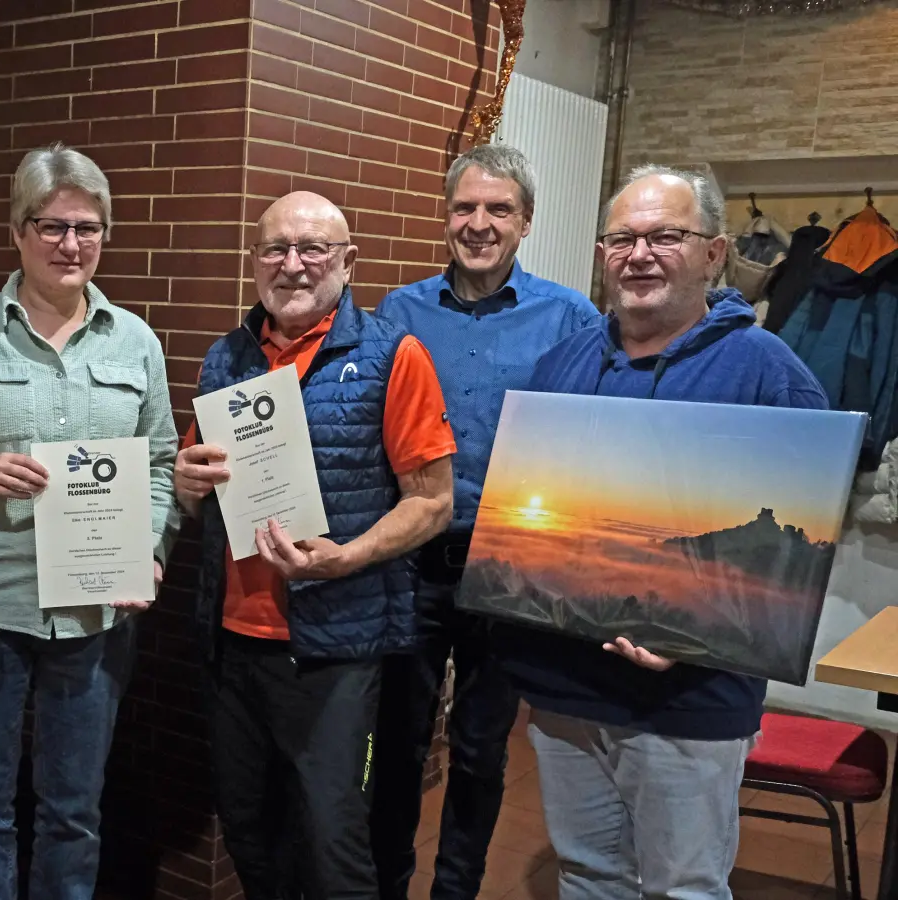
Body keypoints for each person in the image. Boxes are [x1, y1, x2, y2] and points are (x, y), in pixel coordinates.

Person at [509, 166, 827, 900]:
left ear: (714, 254)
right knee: (588, 875)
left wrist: (695, 634)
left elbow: (797, 553)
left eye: (666, 236)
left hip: (692, 697)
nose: (640, 254)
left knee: (684, 886)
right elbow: (531, 515)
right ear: (602, 253)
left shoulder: (766, 371)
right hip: (567, 685)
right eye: (623, 238)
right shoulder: (561, 368)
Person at [0, 143, 180, 900]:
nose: (71, 244)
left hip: (95, 616)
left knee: (74, 812)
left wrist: (150, 549)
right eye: (53, 226)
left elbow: (158, 462)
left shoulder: (136, 343)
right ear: (19, 231)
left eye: (88, 228)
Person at [173, 190, 457, 900]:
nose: (293, 265)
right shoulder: (227, 356)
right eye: (275, 248)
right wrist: (183, 480)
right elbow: (192, 489)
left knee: (333, 840)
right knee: (248, 827)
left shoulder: (394, 354)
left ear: (347, 261)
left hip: (333, 649)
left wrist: (347, 557)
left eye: (313, 250)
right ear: (255, 259)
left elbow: (433, 501)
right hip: (233, 641)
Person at [371, 143, 599, 900]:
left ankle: (454, 891)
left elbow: (595, 442)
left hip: (510, 569)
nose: (478, 223)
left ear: (524, 221)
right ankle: (385, 884)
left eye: (497, 209)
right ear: (446, 217)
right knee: (399, 746)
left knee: (478, 751)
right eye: (464, 208)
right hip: (410, 564)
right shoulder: (397, 313)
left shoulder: (570, 318)